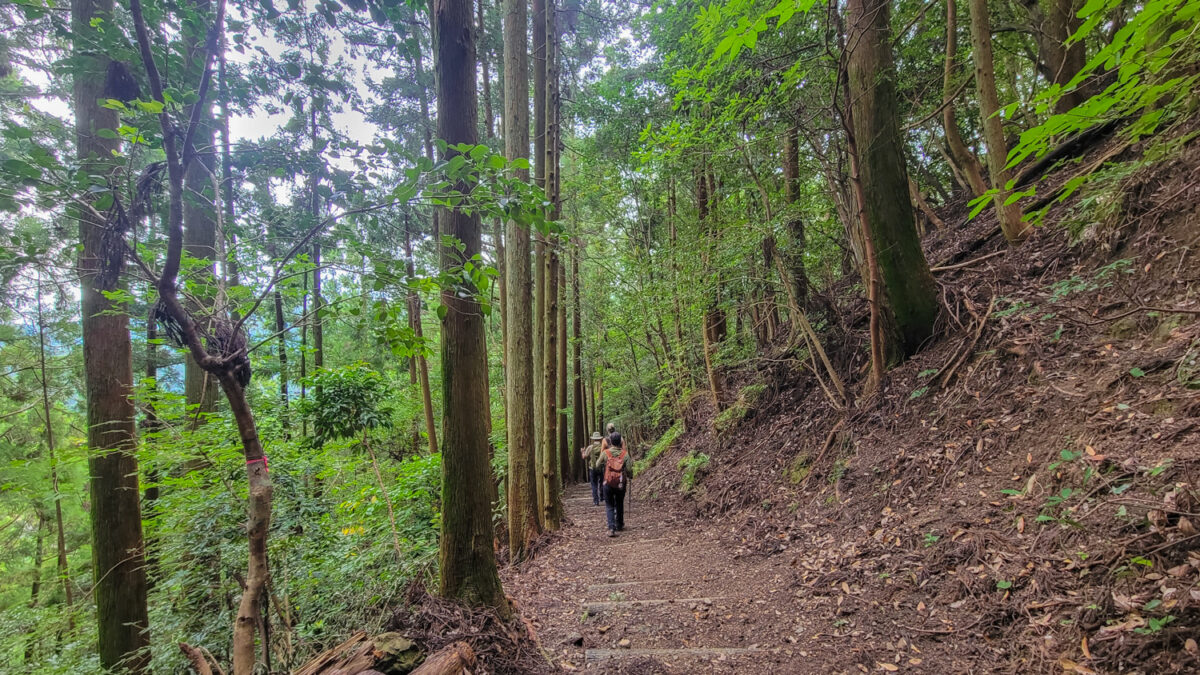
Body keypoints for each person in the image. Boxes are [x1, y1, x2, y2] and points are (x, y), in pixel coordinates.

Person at [601, 432, 632, 537]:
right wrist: (630, 476)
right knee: (619, 502)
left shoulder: (606, 453)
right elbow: (629, 469)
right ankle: (619, 524)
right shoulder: (625, 454)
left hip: (608, 482)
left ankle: (611, 528)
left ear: (610, 441)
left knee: (609, 505)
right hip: (620, 483)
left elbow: (597, 464)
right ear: (620, 441)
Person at [581, 431, 605, 505]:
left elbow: (584, 457)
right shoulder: (603, 447)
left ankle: (596, 501)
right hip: (601, 467)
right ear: (600, 439)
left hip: (592, 468)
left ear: (593, 439)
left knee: (594, 484)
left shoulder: (590, 447)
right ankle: (602, 497)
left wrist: (582, 451)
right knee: (601, 482)